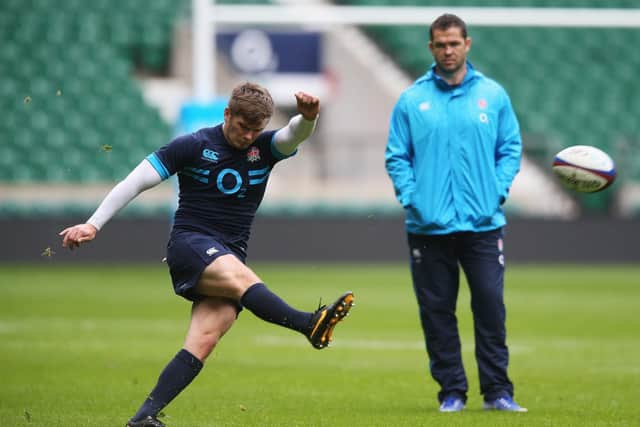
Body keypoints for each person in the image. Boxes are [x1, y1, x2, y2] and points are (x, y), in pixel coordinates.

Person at [60, 82, 355, 427]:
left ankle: (143, 417)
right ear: (228, 114)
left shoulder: (265, 148)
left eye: (256, 130)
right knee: (241, 277)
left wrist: (309, 117)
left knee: (205, 338)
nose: (248, 136)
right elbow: (135, 181)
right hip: (191, 244)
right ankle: (309, 324)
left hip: (230, 252)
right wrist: (94, 224)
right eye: (243, 127)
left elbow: (293, 135)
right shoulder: (194, 145)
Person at [385, 14, 525, 413]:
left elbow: (510, 148)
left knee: (490, 307)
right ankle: (452, 392)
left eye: (454, 43)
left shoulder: (493, 96)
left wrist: (496, 190)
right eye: (440, 44)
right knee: (437, 313)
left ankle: (498, 392)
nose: (448, 50)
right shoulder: (412, 99)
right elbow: (397, 155)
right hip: (427, 227)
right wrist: (413, 198)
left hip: (482, 224)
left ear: (468, 44)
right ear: (430, 48)